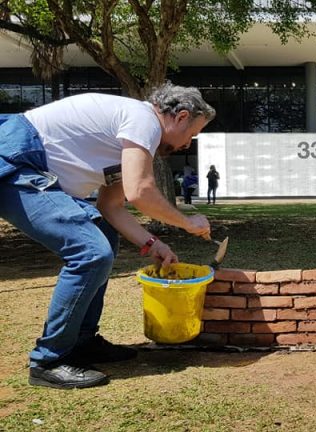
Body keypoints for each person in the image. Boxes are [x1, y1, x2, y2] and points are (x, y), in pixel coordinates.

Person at [0, 83, 215, 389]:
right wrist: (187, 222)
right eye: (192, 135)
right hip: (16, 161)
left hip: (33, 169)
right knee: (91, 253)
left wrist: (153, 243)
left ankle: (82, 341)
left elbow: (110, 206)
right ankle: (49, 360)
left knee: (104, 236)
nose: (187, 145)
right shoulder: (143, 120)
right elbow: (140, 191)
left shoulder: (132, 139)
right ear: (180, 117)